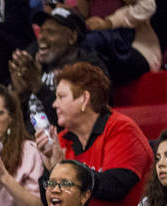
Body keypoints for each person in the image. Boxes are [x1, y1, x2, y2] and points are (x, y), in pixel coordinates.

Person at [36, 62, 153, 206]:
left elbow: (115, 188)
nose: (54, 104)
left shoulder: (121, 129)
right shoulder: (62, 140)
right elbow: (47, 202)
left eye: (61, 97)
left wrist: (65, 168)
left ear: (85, 99)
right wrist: (50, 169)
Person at [9, 6, 105, 135]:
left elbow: (78, 117)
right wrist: (20, 95)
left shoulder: (90, 68)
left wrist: (38, 86)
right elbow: (15, 116)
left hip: (65, 144)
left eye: (51, 32)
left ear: (72, 37)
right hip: (29, 141)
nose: (41, 38)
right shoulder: (33, 62)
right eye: (41, 32)